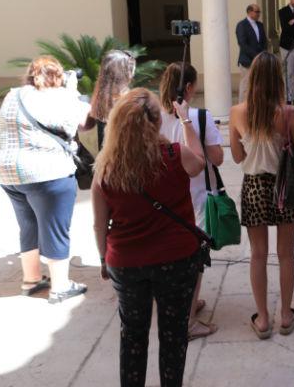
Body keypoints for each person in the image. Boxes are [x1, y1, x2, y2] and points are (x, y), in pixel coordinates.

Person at [91, 88, 206, 387]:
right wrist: (185, 121)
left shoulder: (106, 171)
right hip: (176, 259)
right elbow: (200, 162)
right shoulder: (175, 155)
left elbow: (99, 225)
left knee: (132, 334)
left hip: (127, 262)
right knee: (173, 335)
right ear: (156, 122)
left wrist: (103, 259)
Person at [0, 55, 91, 303]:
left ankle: (31, 280)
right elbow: (80, 125)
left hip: (9, 173)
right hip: (47, 173)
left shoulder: (13, 95)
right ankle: (60, 287)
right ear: (59, 76)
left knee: (28, 225)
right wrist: (72, 93)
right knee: (56, 228)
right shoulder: (59, 97)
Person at [229, 52, 294, 339]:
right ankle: (285, 315)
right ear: (278, 80)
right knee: (286, 253)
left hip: (254, 187)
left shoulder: (237, 112)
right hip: (284, 185)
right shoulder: (288, 113)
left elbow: (237, 157)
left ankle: (262, 318)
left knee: (258, 254)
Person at [158, 62, 223, 340]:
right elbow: (217, 158)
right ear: (188, 87)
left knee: (172, 254)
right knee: (195, 258)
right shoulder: (200, 117)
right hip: (196, 198)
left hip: (165, 198)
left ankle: (183, 303)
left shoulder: (154, 117)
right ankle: (188, 320)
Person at [89, 49, 136, 149]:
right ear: (127, 75)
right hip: (121, 150)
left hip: (105, 149)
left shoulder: (100, 94)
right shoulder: (127, 101)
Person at [235, 3, 268, 104]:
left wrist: (262, 55)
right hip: (247, 61)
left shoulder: (260, 25)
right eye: (257, 12)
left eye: (259, 12)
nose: (259, 14)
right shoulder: (242, 25)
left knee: (258, 85)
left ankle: (255, 105)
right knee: (246, 86)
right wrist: (256, 56)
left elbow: (264, 42)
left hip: (259, 61)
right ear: (249, 12)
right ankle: (242, 106)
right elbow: (242, 43)